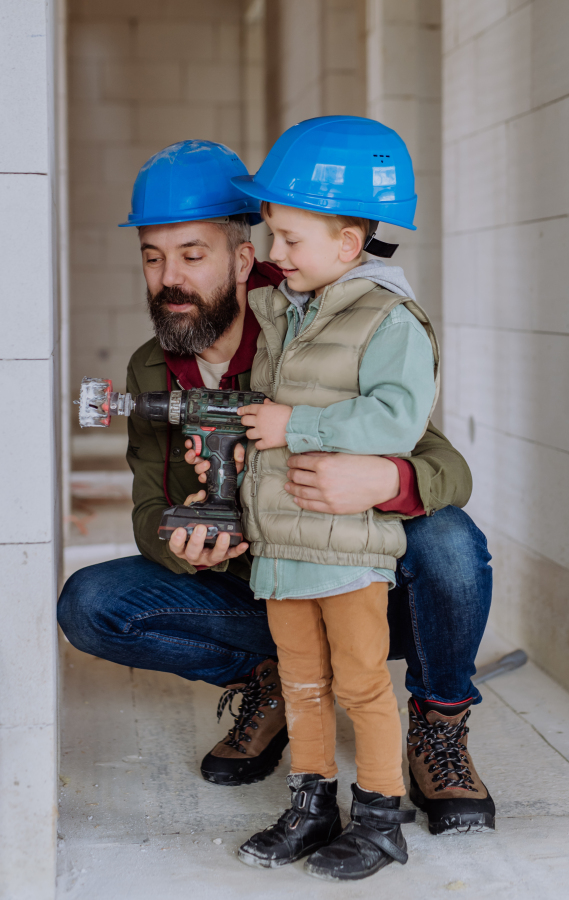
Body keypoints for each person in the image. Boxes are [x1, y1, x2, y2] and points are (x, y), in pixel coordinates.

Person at [57, 139, 494, 843]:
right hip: (259, 581)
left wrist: (387, 476)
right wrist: (182, 543)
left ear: (239, 257)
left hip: (351, 569)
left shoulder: (308, 323)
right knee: (91, 604)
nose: (168, 277)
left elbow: (448, 468)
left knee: (448, 538)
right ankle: (274, 681)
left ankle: (439, 726)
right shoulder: (151, 368)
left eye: (191, 255)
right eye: (151, 256)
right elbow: (145, 501)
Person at [230, 115, 439, 881]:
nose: (275, 255)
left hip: (347, 547)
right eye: (272, 236)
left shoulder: (389, 321)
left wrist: (297, 425)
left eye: (290, 239)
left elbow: (396, 420)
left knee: (360, 684)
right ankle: (312, 807)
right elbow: (269, 413)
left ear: (349, 245)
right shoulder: (290, 311)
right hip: (286, 547)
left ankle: (381, 820)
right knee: (301, 683)